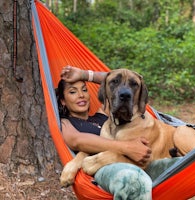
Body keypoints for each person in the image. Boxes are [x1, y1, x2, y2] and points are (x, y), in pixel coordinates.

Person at [57, 66, 181, 200]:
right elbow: (78, 141)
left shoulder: (105, 114)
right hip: (106, 168)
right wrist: (127, 148)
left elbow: (120, 80)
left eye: (84, 90)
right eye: (72, 92)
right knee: (133, 180)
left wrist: (84, 74)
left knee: (178, 165)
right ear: (63, 101)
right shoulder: (66, 122)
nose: (81, 95)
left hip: (132, 163)